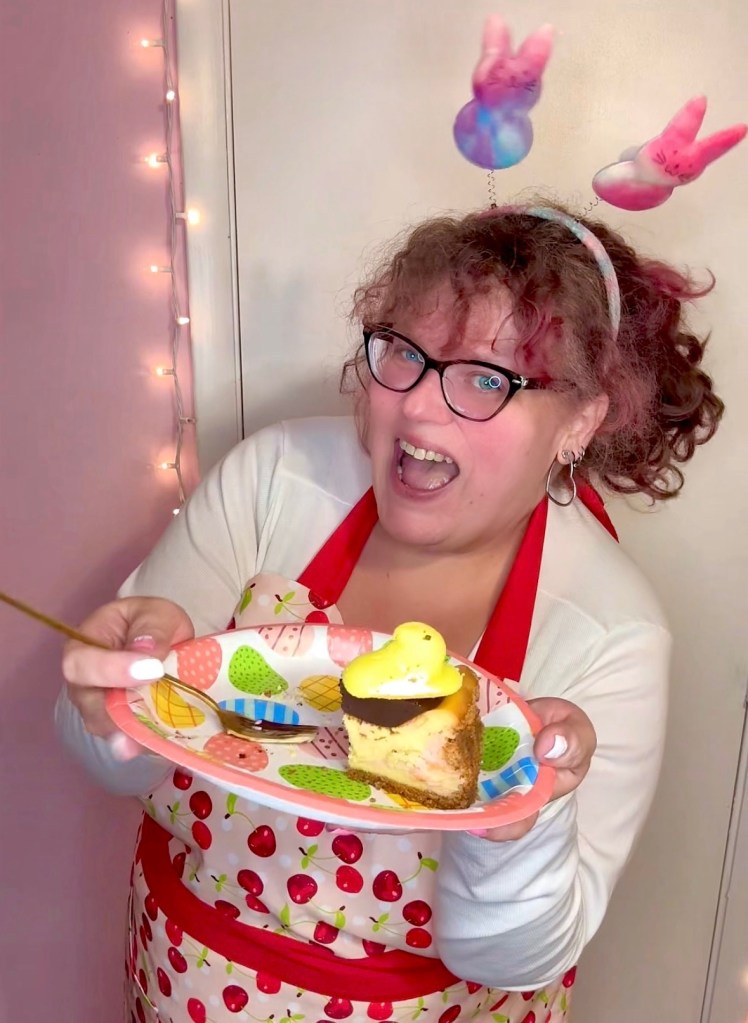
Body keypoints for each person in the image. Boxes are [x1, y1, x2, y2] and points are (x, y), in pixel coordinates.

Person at [57, 202, 723, 1023]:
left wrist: (521, 816)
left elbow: (517, 960)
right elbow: (114, 763)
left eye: (489, 378)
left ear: (581, 420)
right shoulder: (274, 480)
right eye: (404, 352)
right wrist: (109, 703)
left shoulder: (610, 632)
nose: (418, 409)